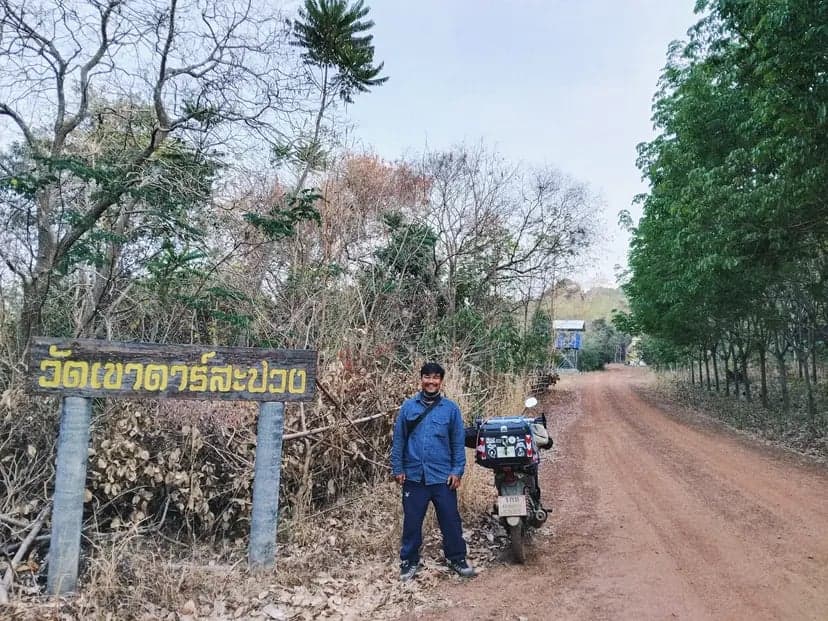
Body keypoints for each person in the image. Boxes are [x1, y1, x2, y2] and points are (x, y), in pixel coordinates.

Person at [390, 362, 476, 581]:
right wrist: (397, 468)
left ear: (441, 381)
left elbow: (457, 443)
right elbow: (399, 439)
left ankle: (457, 558)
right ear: (421, 379)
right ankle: (409, 561)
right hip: (414, 476)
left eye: (436, 378)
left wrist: (457, 471)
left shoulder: (451, 409)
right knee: (412, 521)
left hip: (442, 477)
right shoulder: (408, 407)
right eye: (427, 377)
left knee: (450, 520)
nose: (431, 381)